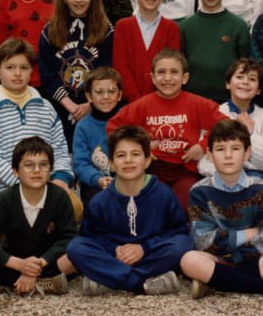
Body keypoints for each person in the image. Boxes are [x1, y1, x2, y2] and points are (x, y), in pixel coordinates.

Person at [181, 120, 263, 299]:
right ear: (209, 154)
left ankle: (216, 281)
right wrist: (248, 234)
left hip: (255, 259)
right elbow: (202, 241)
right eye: (220, 149)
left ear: (247, 153)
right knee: (189, 260)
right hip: (217, 259)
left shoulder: (261, 189)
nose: (228, 155)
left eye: (235, 148)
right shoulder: (199, 192)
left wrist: (230, 245)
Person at [67, 125, 193, 296]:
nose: (128, 160)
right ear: (111, 163)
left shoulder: (164, 194)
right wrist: (115, 249)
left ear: (147, 160)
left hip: (150, 255)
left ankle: (109, 278)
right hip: (116, 257)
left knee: (183, 245)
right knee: (76, 247)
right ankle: (140, 283)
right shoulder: (100, 201)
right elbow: (90, 237)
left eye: (135, 154)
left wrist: (144, 248)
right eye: (121, 155)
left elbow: (178, 233)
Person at [107, 49, 228, 213]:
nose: (167, 78)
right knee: (152, 205)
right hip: (152, 168)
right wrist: (140, 147)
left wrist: (203, 145)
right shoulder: (142, 105)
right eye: (161, 72)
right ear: (153, 78)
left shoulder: (197, 103)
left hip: (185, 169)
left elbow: (226, 124)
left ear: (185, 78)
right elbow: (113, 126)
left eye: (174, 72)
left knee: (187, 202)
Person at [0, 137, 76, 297]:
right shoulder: (4, 200)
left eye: (43, 165)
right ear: (15, 170)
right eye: (29, 165)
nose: (37, 170)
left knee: (77, 254)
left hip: (47, 261)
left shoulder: (59, 197)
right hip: (13, 262)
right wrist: (21, 265)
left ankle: (1, 283)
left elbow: (69, 236)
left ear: (50, 169)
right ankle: (44, 283)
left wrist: (41, 262)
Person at [0, 38, 74, 202]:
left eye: (24, 67)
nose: (17, 73)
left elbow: (60, 149)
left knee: (75, 210)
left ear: (31, 71)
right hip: (5, 195)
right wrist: (28, 185)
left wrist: (61, 177)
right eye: (10, 67)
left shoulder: (46, 107)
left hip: (46, 191)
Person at [39, 0, 114, 148]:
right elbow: (47, 74)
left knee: (97, 153)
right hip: (61, 107)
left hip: (97, 106)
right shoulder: (50, 31)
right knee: (64, 154)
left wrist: (90, 104)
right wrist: (70, 106)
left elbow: (108, 70)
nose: (79, 0)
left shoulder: (105, 30)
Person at [180, 0, 250, 103]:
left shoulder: (239, 26)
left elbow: (245, 67)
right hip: (193, 100)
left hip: (228, 101)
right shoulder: (185, 27)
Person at [114, 0, 181, 104]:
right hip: (129, 104)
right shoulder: (123, 27)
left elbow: (172, 69)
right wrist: (138, 103)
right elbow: (120, 67)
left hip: (162, 103)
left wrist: (154, 102)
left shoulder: (172, 29)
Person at [197, 58, 263, 181]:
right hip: (219, 176)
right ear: (228, 84)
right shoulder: (214, 113)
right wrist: (230, 173)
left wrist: (250, 134)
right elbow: (203, 160)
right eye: (239, 77)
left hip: (255, 177)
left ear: (259, 90)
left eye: (252, 79)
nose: (245, 82)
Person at [72, 67, 123, 207]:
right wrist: (98, 179)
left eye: (111, 91)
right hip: (95, 183)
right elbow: (81, 164)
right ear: (89, 97)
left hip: (128, 179)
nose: (106, 96)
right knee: (96, 202)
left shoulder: (129, 118)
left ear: (119, 95)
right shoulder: (83, 126)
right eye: (99, 92)